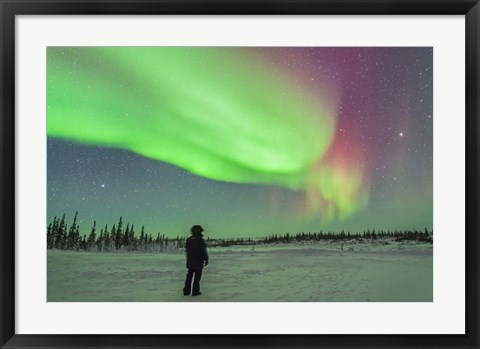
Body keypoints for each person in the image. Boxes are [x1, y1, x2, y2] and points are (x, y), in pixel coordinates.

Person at [183, 225, 209, 296]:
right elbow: (203, 251)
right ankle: (195, 291)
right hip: (198, 262)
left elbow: (187, 251)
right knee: (197, 278)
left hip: (190, 261)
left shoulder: (189, 239)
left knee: (189, 276)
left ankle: (186, 291)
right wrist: (206, 259)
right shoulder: (200, 240)